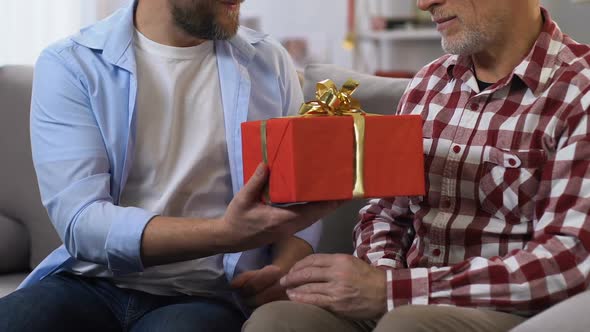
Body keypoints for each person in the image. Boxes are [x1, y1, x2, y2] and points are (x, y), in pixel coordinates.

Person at [244, 0, 590, 331]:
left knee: (409, 325)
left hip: (509, 311)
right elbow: (385, 213)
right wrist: (378, 275)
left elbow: (569, 259)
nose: (423, 4)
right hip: (402, 296)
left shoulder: (579, 91)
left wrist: (393, 292)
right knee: (277, 321)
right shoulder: (428, 83)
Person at [0, 0, 338, 331]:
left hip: (206, 295)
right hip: (90, 282)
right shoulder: (72, 64)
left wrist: (281, 270)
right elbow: (82, 221)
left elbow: (299, 202)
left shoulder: (268, 63)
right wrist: (224, 234)